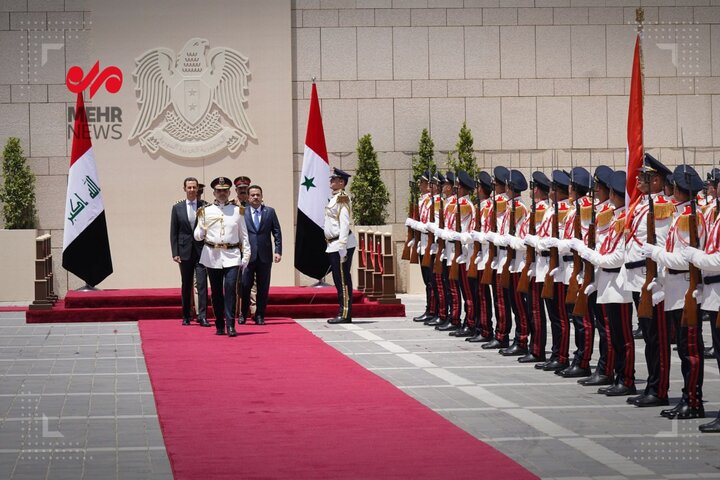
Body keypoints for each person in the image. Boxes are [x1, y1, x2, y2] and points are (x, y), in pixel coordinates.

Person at [194, 176, 251, 337]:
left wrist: (246, 255)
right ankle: (219, 324)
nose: (222, 193)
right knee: (217, 292)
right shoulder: (205, 211)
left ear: (229, 192)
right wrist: (202, 227)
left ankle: (231, 325)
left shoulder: (237, 211)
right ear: (214, 192)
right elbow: (198, 236)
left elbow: (244, 235)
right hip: (212, 255)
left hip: (232, 255)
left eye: (225, 191)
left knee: (231, 289)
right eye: (219, 191)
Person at [170, 177, 209, 327]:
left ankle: (203, 316)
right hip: (184, 252)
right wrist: (175, 252)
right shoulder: (177, 208)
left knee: (202, 284)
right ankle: (186, 315)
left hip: (201, 252)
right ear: (184, 189)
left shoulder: (205, 206)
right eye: (189, 187)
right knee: (186, 284)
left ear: (198, 189)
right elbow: (174, 232)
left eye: (194, 187)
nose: (192, 190)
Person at [241, 185, 282, 326]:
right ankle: (244, 314)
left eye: (258, 194)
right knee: (245, 285)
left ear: (262, 196)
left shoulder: (269, 212)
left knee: (263, 287)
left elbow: (277, 232)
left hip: (265, 256)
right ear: (248, 197)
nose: (255, 197)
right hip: (247, 256)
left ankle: (260, 315)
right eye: (252, 195)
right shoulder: (242, 213)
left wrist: (278, 251)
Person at [325, 168, 357, 324]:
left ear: (342, 182)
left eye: (334, 179)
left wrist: (343, 245)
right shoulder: (334, 198)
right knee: (338, 279)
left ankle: (345, 313)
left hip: (341, 244)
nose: (331, 181)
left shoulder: (342, 198)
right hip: (333, 244)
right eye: (331, 179)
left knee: (343, 279)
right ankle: (343, 311)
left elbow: (344, 222)